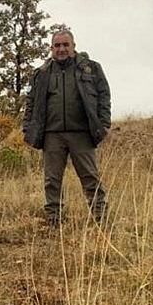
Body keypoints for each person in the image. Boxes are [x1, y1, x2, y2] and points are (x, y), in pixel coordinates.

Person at [22, 30, 110, 228]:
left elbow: (104, 95)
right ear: (51, 48)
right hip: (51, 135)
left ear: (73, 46)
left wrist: (104, 123)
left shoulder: (91, 69)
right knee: (52, 180)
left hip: (82, 134)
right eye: (57, 45)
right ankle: (54, 222)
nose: (61, 49)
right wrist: (27, 128)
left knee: (90, 178)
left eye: (65, 45)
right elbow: (32, 102)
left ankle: (101, 220)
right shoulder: (41, 73)